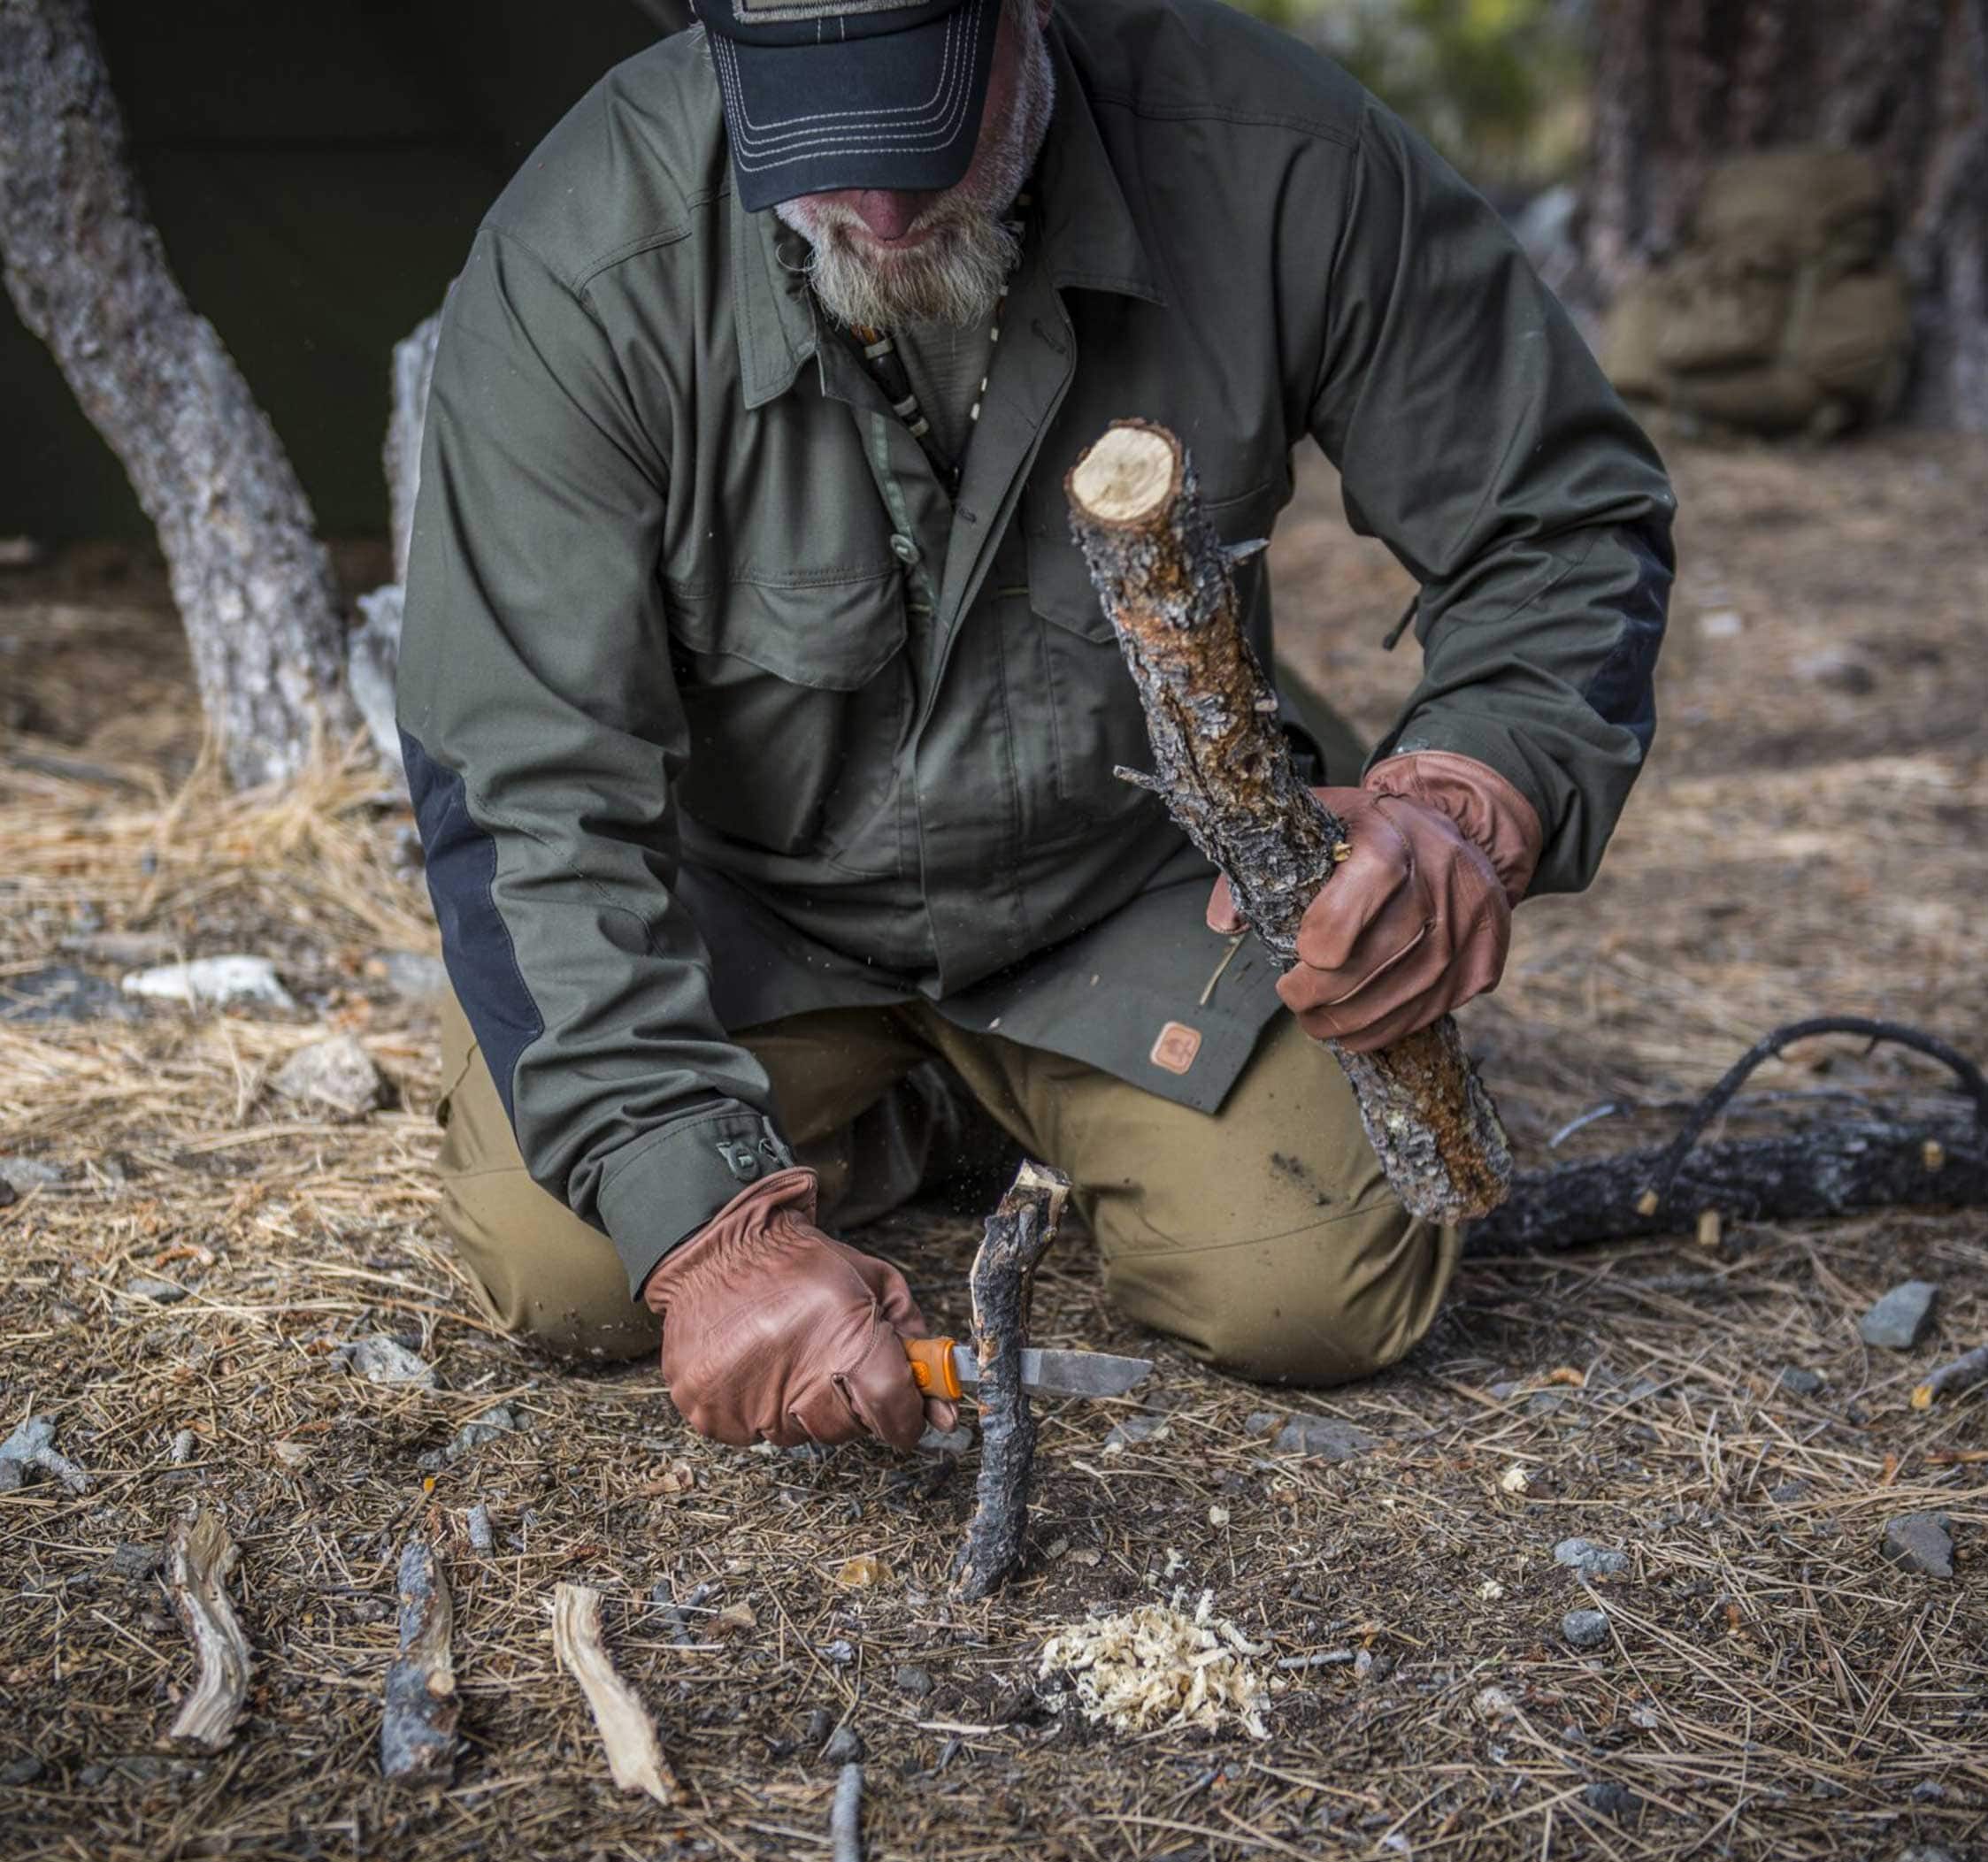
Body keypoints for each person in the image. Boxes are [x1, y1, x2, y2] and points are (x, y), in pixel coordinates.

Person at [395, 0, 1676, 1452]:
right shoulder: (579, 252)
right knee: (572, 1267)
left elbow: (1564, 520)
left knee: (1309, 1293)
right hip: (747, 906)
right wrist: (708, 1228)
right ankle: (913, 1110)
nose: (878, 202)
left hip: (1131, 883)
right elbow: (519, 788)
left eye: (922, 118)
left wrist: (1471, 799)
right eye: (815, 128)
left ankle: (994, 1096)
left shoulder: (1276, 153)